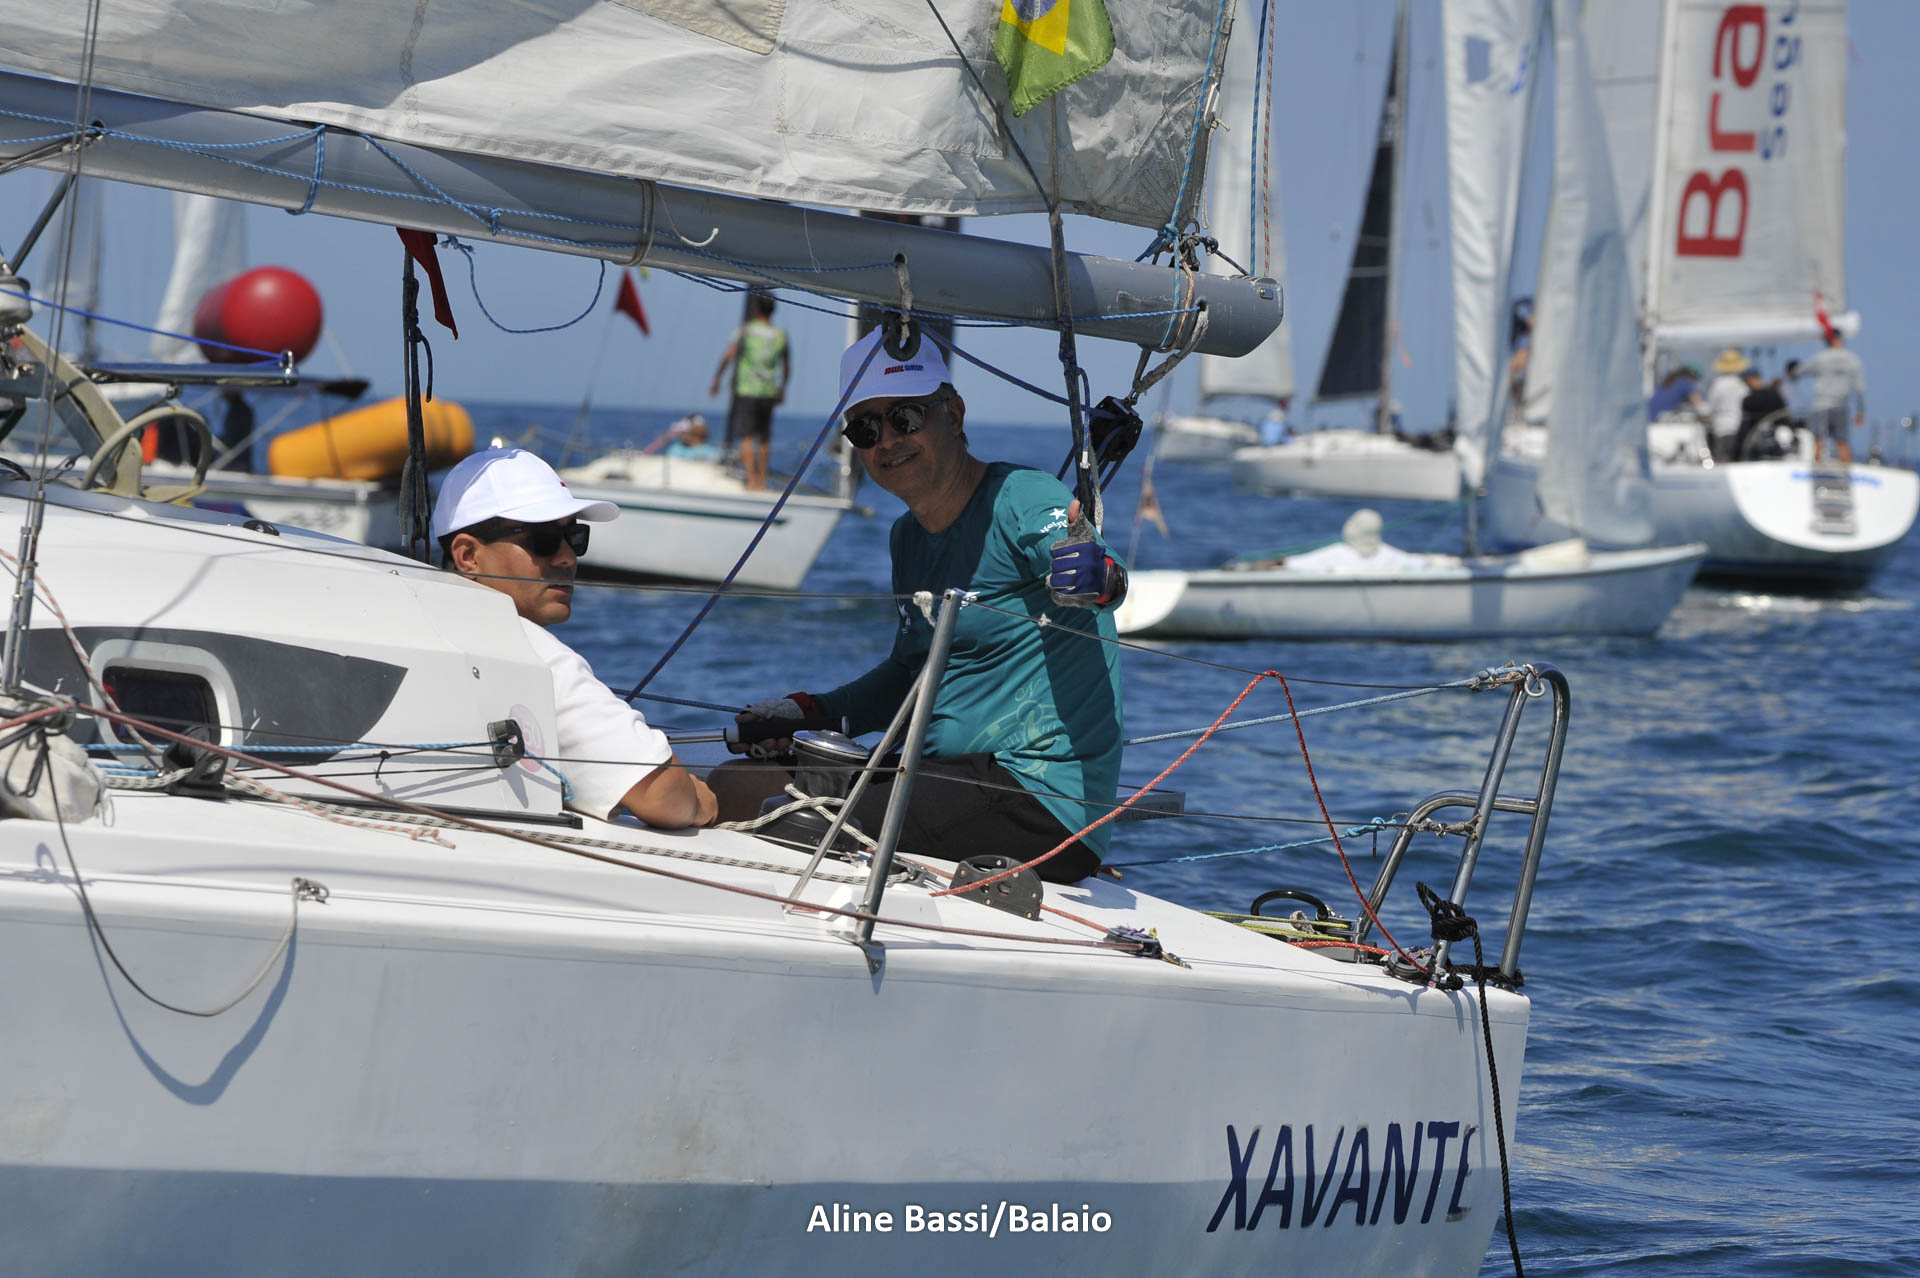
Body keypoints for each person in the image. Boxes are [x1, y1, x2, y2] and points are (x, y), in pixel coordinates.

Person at [710, 327, 1128, 883]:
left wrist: (1095, 576)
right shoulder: (905, 538)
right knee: (737, 780)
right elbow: (909, 677)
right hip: (945, 777)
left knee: (772, 807)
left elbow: (1096, 569)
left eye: (905, 417)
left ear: (953, 414)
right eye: (865, 429)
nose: (887, 440)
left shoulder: (1022, 496)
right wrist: (809, 712)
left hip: (1037, 800)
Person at [433, 447, 717, 829]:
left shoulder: (420, 615)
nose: (568, 557)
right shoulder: (530, 652)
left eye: (574, 537)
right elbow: (666, 797)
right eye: (545, 539)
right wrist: (704, 798)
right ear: (468, 555)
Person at [708, 294, 789, 491]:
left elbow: (729, 355)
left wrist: (717, 378)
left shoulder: (746, 330)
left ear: (756, 308)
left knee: (746, 436)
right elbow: (786, 365)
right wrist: (782, 388)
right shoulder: (780, 334)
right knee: (764, 438)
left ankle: (751, 480)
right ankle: (762, 481)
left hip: (746, 390)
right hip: (768, 391)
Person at [1796, 329, 1866, 463]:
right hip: (1841, 406)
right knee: (1842, 441)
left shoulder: (1821, 358)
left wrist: (1791, 372)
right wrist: (1860, 411)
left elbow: (1799, 371)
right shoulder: (1853, 360)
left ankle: (1816, 469)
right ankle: (1846, 469)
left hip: (1820, 406)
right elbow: (1860, 388)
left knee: (1818, 441)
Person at [1702, 349, 1750, 461]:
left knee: (1720, 459)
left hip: (1721, 426)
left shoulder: (1717, 384)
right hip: (1738, 425)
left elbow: (1711, 407)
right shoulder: (1742, 385)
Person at [1733, 366, 1789, 460]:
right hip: (1777, 444)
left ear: (1749, 380)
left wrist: (1737, 454)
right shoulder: (1774, 394)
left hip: (1757, 444)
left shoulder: (1748, 400)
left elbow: (1745, 427)